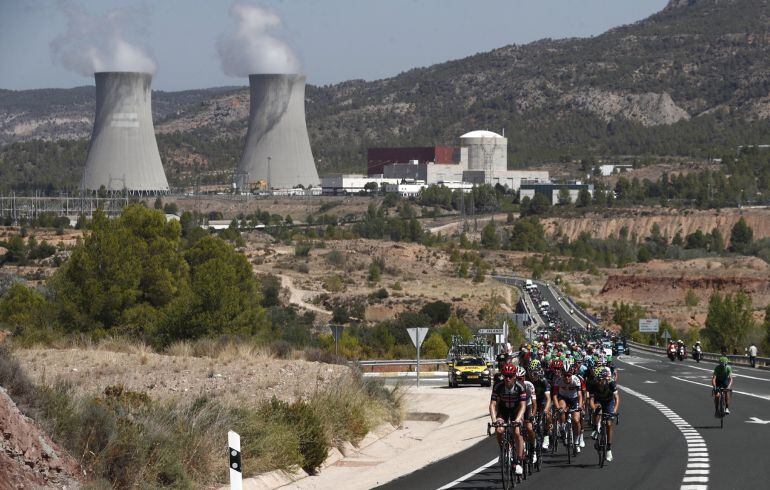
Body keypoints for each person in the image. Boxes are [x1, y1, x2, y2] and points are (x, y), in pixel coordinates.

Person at [490, 363, 528, 476]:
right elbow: (492, 404)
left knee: (517, 432)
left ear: (515, 376)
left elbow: (523, 406)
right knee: (499, 430)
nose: (507, 378)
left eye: (510, 376)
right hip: (504, 411)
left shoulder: (521, 386)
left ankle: (519, 461)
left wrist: (517, 420)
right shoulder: (498, 386)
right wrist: (494, 420)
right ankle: (503, 451)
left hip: (517, 411)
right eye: (505, 376)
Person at [590, 367, 620, 462]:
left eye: (601, 380)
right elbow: (591, 400)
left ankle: (609, 448)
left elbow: (617, 399)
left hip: (609, 402)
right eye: (598, 380)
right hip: (598, 401)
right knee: (597, 410)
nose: (600, 382)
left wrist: (614, 411)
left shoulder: (611, 383)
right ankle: (595, 428)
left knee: (609, 424)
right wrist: (593, 407)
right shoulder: (593, 385)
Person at [554, 362, 584, 452]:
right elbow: (555, 395)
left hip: (574, 399)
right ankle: (563, 427)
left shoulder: (576, 380)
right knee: (561, 409)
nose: (567, 378)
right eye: (565, 375)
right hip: (563, 398)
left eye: (569, 375)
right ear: (562, 375)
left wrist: (580, 406)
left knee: (576, 420)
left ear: (572, 374)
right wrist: (557, 407)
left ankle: (576, 441)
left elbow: (580, 395)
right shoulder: (558, 380)